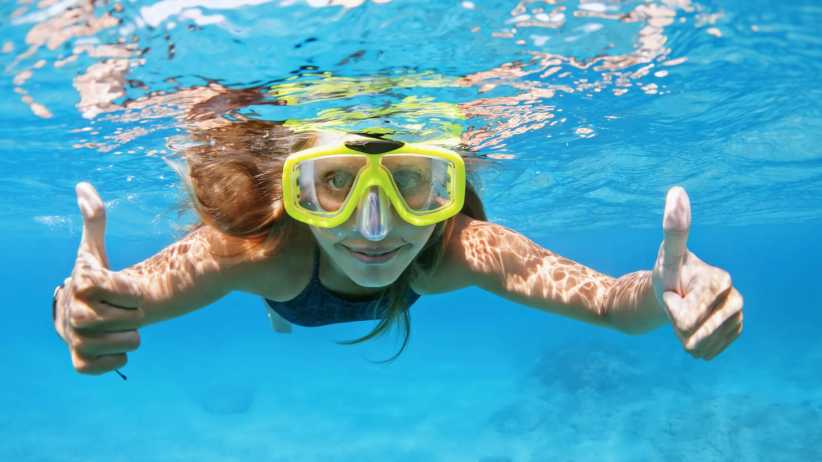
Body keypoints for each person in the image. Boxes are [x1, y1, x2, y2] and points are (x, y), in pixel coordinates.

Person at [52, 122, 744, 376]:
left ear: (450, 186)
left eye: (413, 182)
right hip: (287, 289)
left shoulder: (462, 249)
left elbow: (610, 306)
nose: (375, 228)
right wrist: (82, 309)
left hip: (299, 283)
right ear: (292, 190)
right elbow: (119, 300)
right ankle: (278, 310)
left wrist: (664, 292)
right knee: (277, 298)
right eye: (335, 186)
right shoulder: (254, 252)